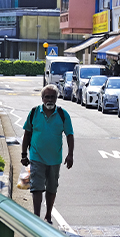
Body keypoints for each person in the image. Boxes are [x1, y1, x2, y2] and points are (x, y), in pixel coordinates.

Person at [21, 85, 74, 225]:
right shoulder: (34, 113)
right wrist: (23, 154)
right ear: (42, 98)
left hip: (55, 159)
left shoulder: (63, 114)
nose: (49, 99)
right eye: (47, 97)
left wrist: (70, 155)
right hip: (36, 157)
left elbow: (69, 135)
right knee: (37, 187)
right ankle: (36, 216)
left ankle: (48, 215)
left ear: (56, 98)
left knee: (52, 188)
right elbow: (27, 133)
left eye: (52, 97)